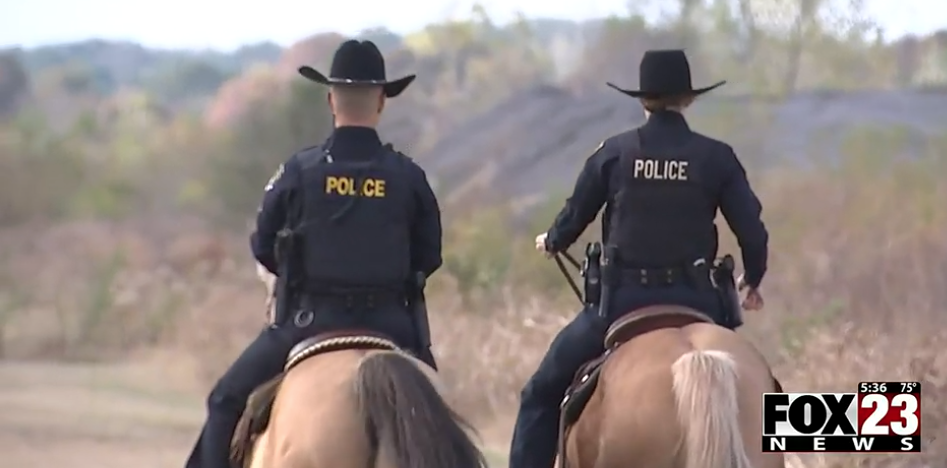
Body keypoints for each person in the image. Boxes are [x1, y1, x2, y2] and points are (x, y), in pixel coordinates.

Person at [184, 39, 443, 468]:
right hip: (393, 327)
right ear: (381, 102)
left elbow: (263, 245)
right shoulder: (408, 176)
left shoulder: (298, 171)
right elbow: (429, 256)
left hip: (307, 324)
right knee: (447, 430)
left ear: (330, 100)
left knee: (224, 400)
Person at [507, 49, 769, 468]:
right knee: (768, 392)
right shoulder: (717, 156)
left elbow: (576, 214)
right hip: (700, 304)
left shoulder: (614, 152)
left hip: (620, 306)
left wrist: (554, 240)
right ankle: (892, 429)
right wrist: (753, 279)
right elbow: (752, 231)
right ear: (689, 99)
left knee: (539, 394)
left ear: (642, 100)